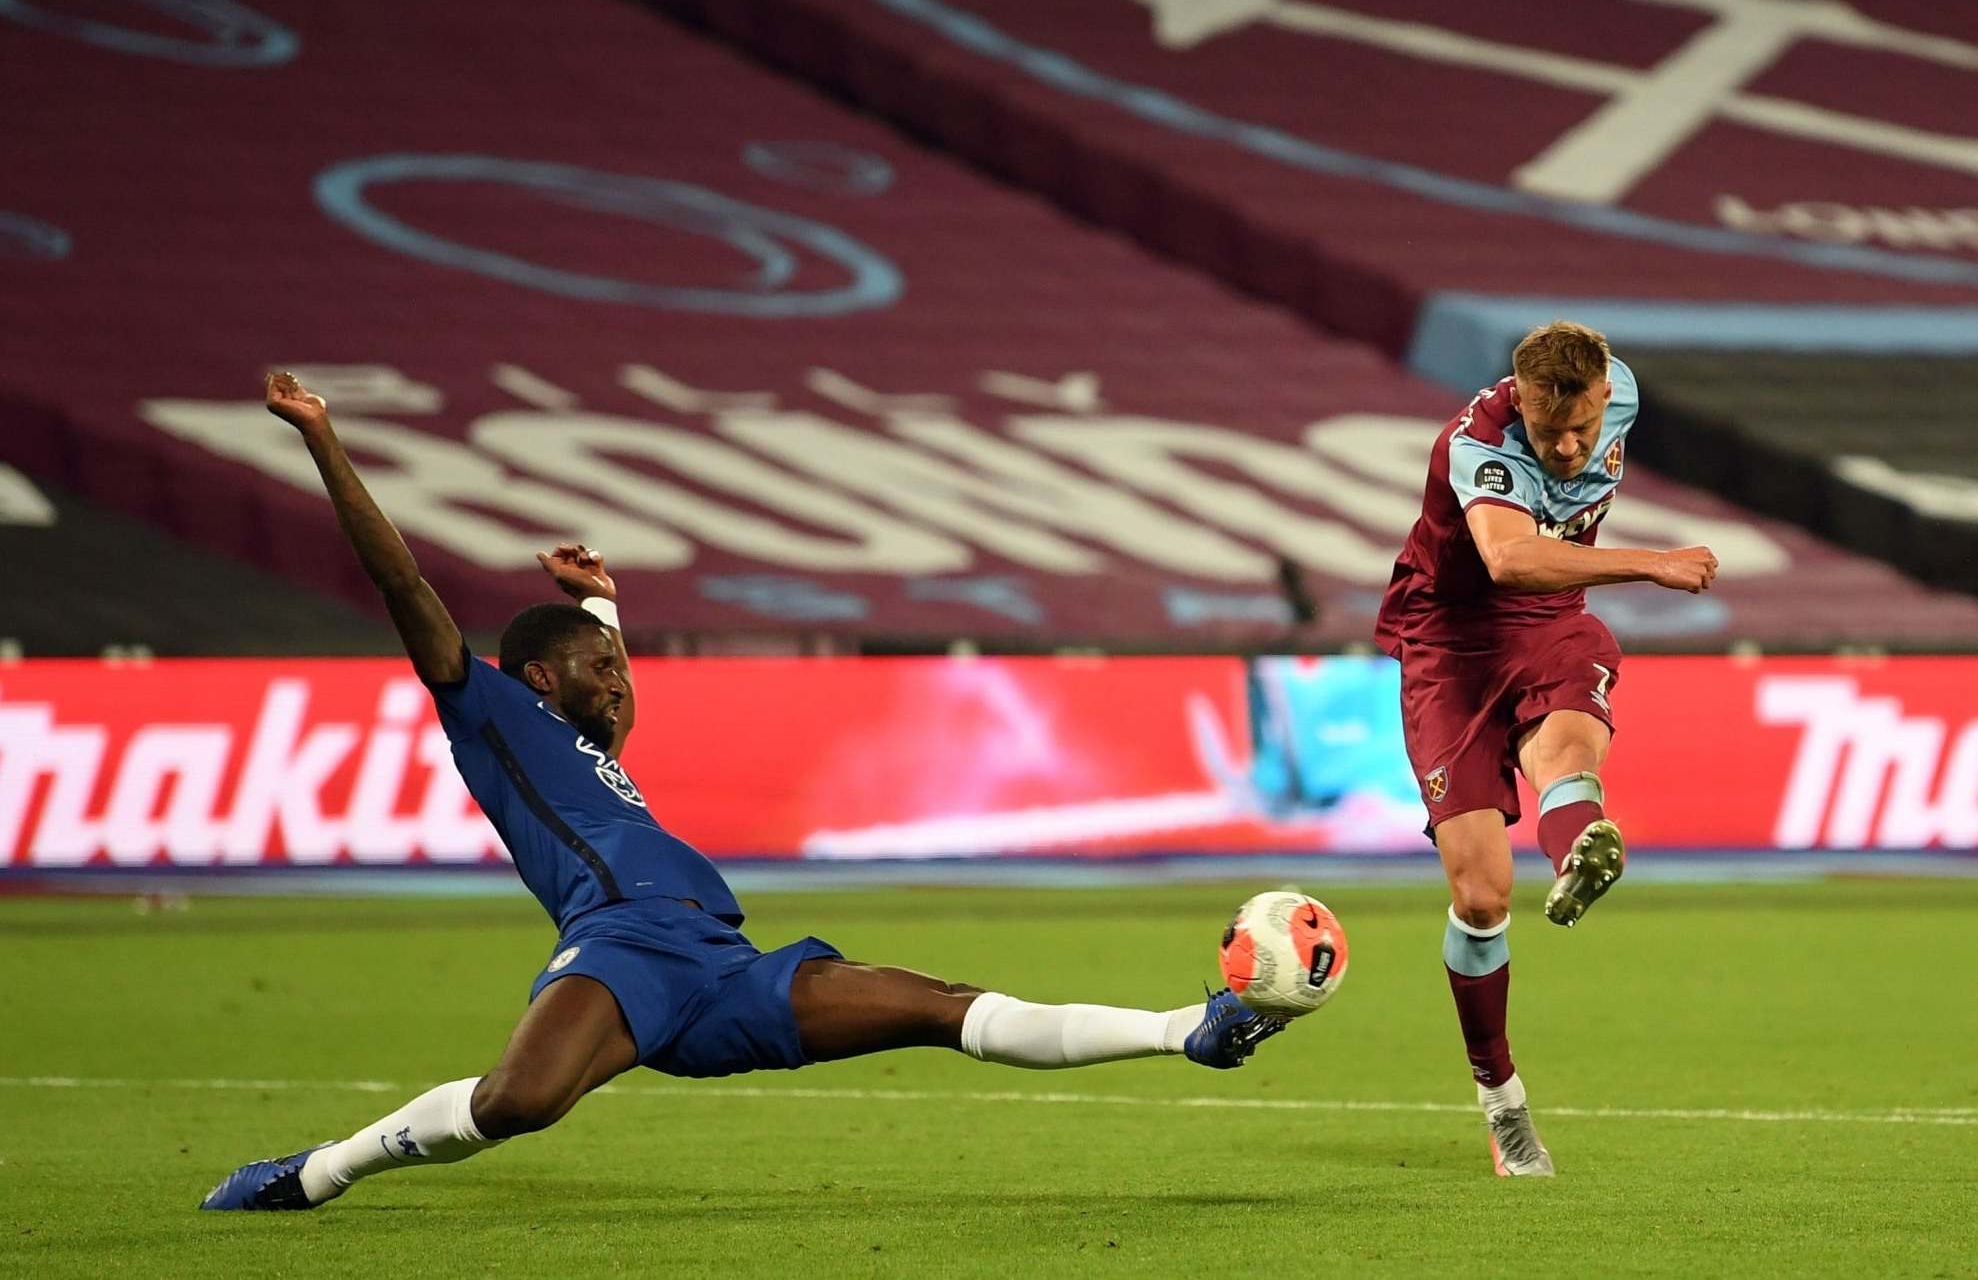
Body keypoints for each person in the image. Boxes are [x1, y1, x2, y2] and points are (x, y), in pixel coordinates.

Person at [202, 371, 1286, 1213]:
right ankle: (318, 1174)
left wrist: (608, 613)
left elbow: (612, 713)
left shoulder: (589, 750)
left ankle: (1189, 1027)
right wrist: (323, 439)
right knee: (515, 1105)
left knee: (937, 1007)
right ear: (538, 675)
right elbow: (404, 583)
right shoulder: (486, 708)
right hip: (618, 948)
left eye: (619, 670)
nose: (619, 686)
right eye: (601, 666)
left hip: (721, 963)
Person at [1373, 322, 1717, 1178]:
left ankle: (1577, 849)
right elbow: (1508, 558)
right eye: (1546, 429)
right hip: (1448, 646)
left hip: (1553, 626)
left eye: (1581, 428)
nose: (1566, 447)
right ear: (1518, 399)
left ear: (1606, 394)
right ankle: (1502, 1101)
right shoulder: (1478, 443)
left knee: (1568, 744)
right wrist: (1652, 564)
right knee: (1481, 894)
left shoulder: (1620, 389)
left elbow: (1541, 584)